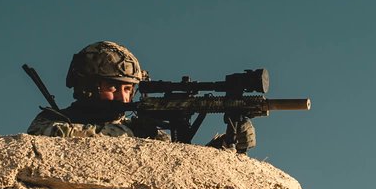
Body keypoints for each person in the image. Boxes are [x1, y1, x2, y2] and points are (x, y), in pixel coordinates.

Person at [27, 41, 254, 151]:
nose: (122, 98)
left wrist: (228, 144)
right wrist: (128, 133)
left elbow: (184, 163)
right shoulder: (50, 121)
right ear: (86, 86)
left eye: (128, 89)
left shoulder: (141, 130)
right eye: (114, 88)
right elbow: (51, 139)